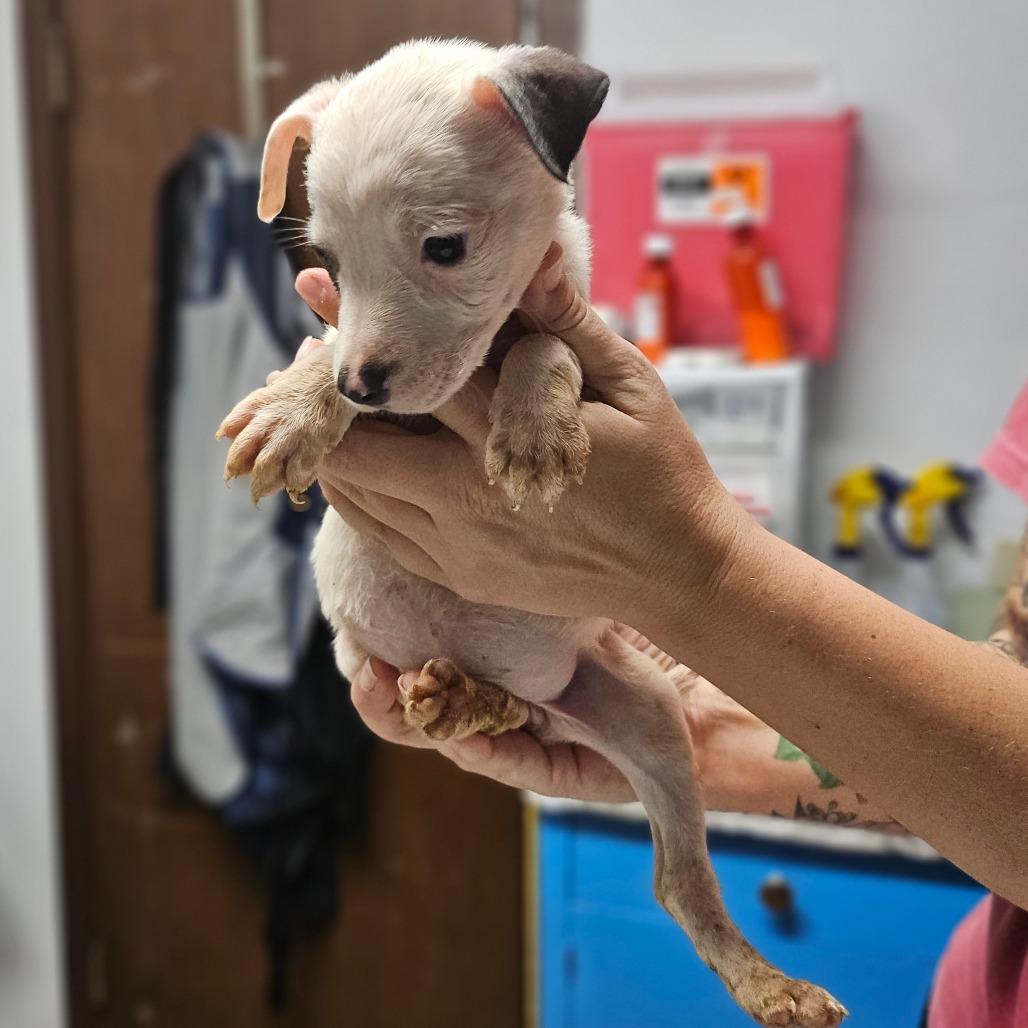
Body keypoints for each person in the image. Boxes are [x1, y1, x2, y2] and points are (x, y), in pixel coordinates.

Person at [288, 253, 1028, 1026]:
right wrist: (705, 728)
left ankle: (707, 920)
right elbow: (1007, 689)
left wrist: (694, 570)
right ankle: (507, 707)